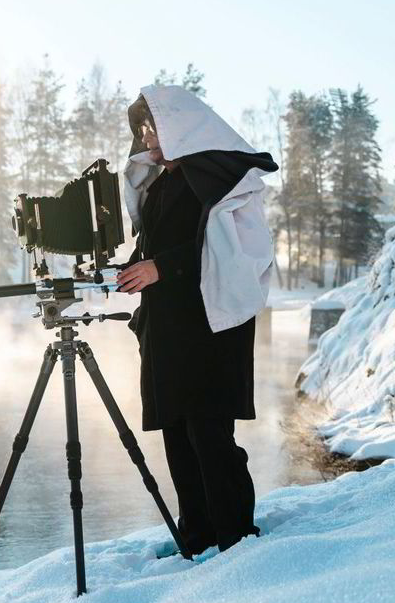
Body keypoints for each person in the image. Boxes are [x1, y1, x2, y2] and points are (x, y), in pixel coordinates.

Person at [115, 85, 278, 557]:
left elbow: (229, 249)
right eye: (142, 128)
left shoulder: (220, 180)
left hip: (208, 328)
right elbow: (155, 247)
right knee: (177, 435)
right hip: (167, 328)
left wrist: (160, 267)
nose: (146, 136)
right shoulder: (159, 184)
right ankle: (197, 540)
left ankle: (236, 539)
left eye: (154, 125)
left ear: (180, 125)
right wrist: (132, 267)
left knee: (210, 436)